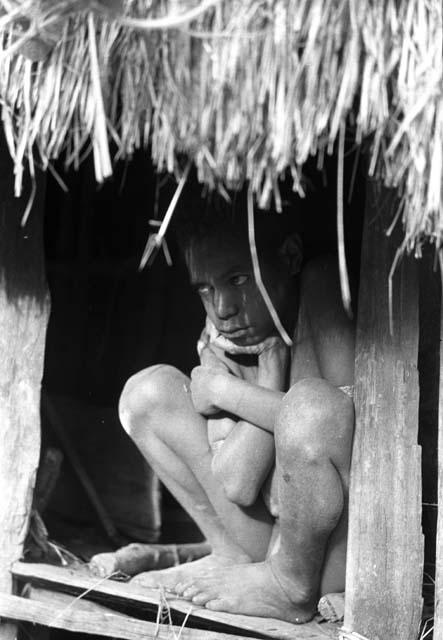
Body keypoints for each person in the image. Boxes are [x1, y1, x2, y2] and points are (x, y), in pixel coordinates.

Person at [118, 202, 355, 624]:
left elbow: (347, 423)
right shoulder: (220, 338)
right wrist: (268, 376)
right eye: (205, 289)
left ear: (290, 257)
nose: (222, 307)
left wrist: (229, 391)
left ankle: (290, 587)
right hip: (267, 541)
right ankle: (229, 555)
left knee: (311, 405)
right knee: (147, 393)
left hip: (340, 552)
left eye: (239, 279)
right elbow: (237, 483)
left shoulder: (322, 287)